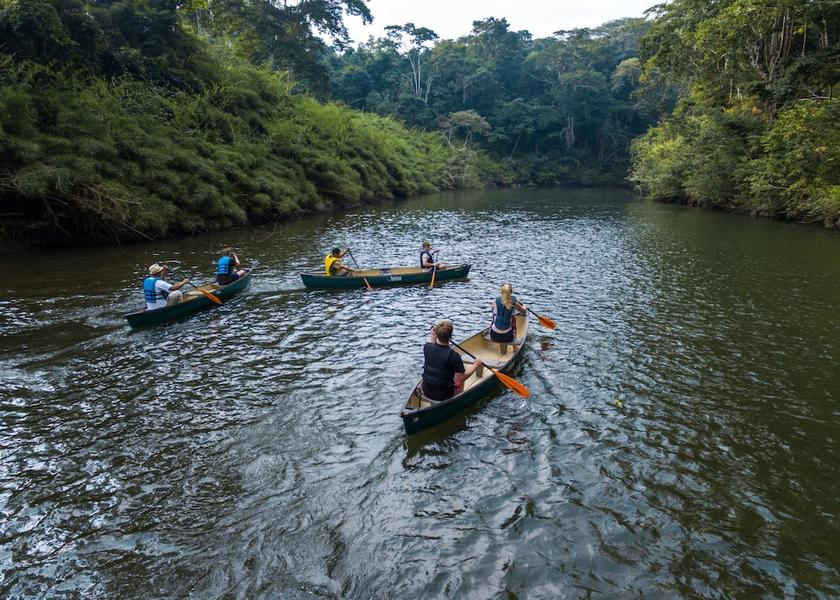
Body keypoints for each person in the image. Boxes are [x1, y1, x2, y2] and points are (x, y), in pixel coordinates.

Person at [422, 320, 482, 401]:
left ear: (437, 335)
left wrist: (434, 335)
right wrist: (476, 365)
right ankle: (458, 400)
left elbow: (434, 345)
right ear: (450, 337)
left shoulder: (427, 347)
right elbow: (461, 378)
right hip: (444, 395)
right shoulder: (454, 356)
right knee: (459, 381)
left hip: (426, 390)